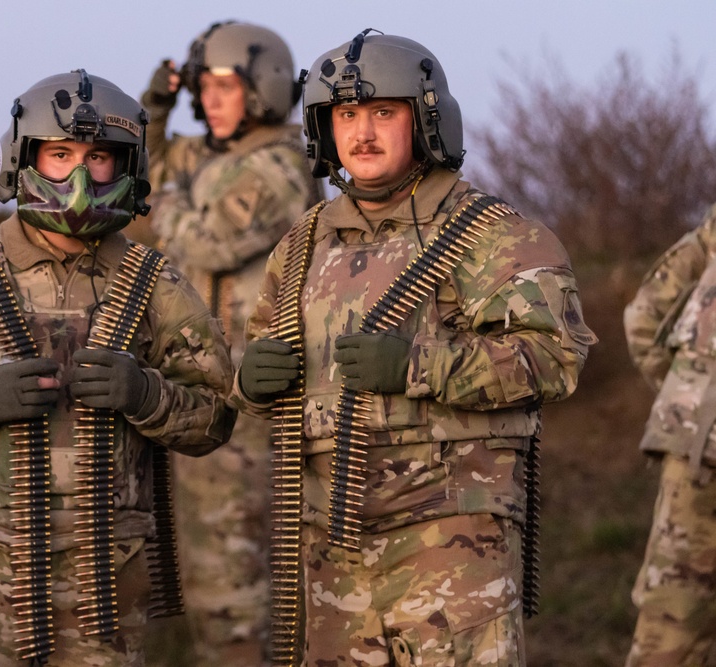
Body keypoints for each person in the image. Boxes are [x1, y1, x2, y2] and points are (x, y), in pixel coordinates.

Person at [230, 30, 597, 665]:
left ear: (425, 119)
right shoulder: (301, 245)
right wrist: (249, 383)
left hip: (451, 538)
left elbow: (556, 357)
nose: (362, 133)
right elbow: (271, 368)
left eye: (382, 112)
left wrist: (418, 366)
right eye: (346, 115)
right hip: (330, 546)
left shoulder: (493, 235)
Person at [0, 70, 236, 667]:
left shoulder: (157, 284)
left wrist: (146, 395)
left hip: (106, 567)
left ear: (126, 168)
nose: (77, 173)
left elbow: (216, 416)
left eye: (97, 157)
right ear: (24, 158)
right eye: (59, 152)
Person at [138, 20, 322, 666]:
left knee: (239, 581)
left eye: (226, 85)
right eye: (203, 86)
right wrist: (153, 113)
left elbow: (204, 238)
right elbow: (141, 171)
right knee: (210, 578)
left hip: (256, 403)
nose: (210, 99)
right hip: (206, 395)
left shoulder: (281, 165)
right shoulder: (203, 160)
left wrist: (164, 201)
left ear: (263, 89)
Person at [623, 202, 716, 666]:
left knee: (673, 624)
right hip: (699, 456)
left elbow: (643, 318)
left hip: (695, 454)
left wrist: (686, 402)